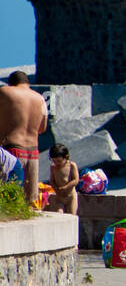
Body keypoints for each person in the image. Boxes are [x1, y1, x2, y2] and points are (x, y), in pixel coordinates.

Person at [0, 72, 47, 206]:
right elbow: (42, 128)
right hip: (33, 154)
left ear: (11, 83)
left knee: (8, 201)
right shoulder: (41, 99)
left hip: (12, 151)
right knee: (29, 203)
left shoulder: (5, 92)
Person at [46, 143, 78, 215]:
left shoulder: (71, 165)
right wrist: (56, 189)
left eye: (59, 161)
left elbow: (76, 180)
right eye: (54, 161)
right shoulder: (53, 167)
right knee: (59, 215)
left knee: (72, 215)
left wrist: (65, 187)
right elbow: (52, 181)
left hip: (71, 196)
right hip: (59, 197)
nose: (56, 163)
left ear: (66, 157)